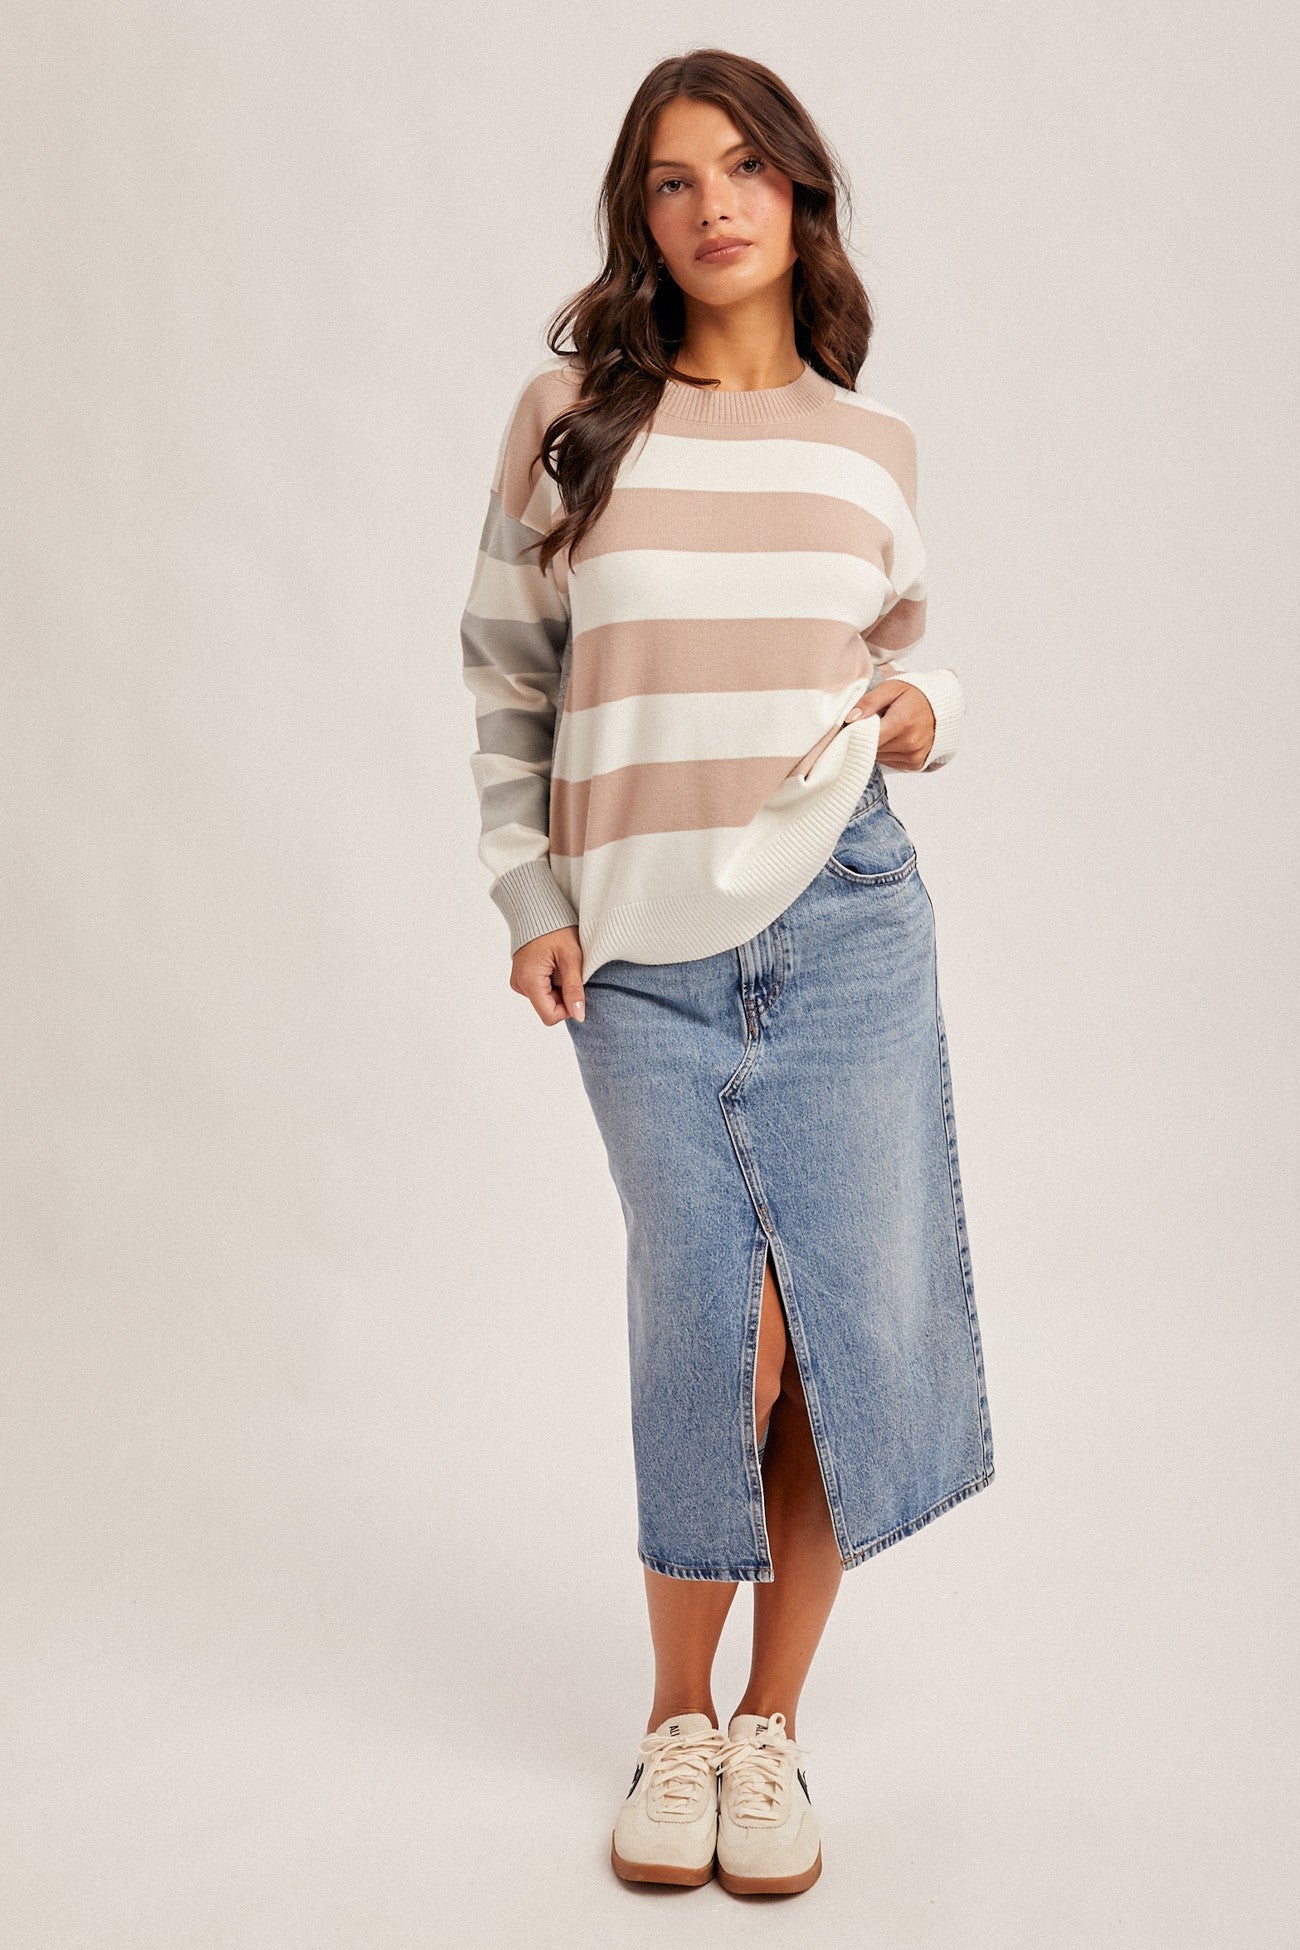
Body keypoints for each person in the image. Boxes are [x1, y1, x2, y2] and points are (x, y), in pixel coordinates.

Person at [459, 46, 995, 1899]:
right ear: (643, 213)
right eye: (675, 180)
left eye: (747, 169)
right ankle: (673, 1718)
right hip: (641, 950)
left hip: (847, 924)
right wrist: (531, 893)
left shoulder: (870, 446)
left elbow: (896, 665)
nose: (714, 207)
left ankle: (768, 1727)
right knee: (716, 1325)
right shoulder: (569, 424)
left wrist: (930, 712)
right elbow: (507, 673)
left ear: (800, 194)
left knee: (832, 1333)